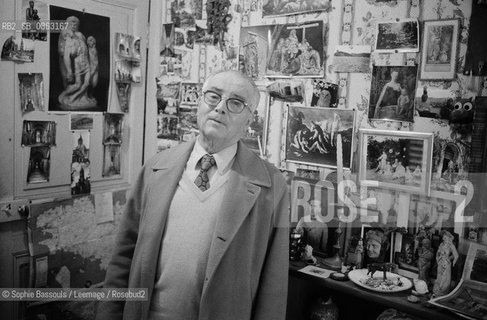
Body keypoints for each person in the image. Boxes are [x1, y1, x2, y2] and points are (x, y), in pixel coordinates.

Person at [96, 70, 289, 320]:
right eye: (213, 96)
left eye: (235, 103)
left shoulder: (271, 186)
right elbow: (123, 259)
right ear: (199, 102)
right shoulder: (156, 168)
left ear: (250, 119)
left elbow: (274, 287)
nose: (220, 108)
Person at [57, 16, 97, 110]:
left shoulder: (80, 35)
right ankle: (65, 97)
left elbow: (88, 49)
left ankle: (82, 98)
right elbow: (66, 55)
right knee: (78, 84)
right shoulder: (67, 37)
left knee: (86, 84)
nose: (74, 25)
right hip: (78, 66)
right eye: (72, 23)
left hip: (86, 64)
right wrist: (69, 71)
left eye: (76, 23)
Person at [433, 230, 459, 297]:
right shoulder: (442, 244)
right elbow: (438, 252)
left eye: (445, 237)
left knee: (445, 277)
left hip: (446, 263)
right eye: (443, 237)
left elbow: (456, 255)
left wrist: (451, 261)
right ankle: (437, 290)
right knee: (439, 275)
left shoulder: (451, 245)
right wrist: (438, 258)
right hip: (440, 261)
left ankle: (443, 291)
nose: (444, 238)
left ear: (449, 237)